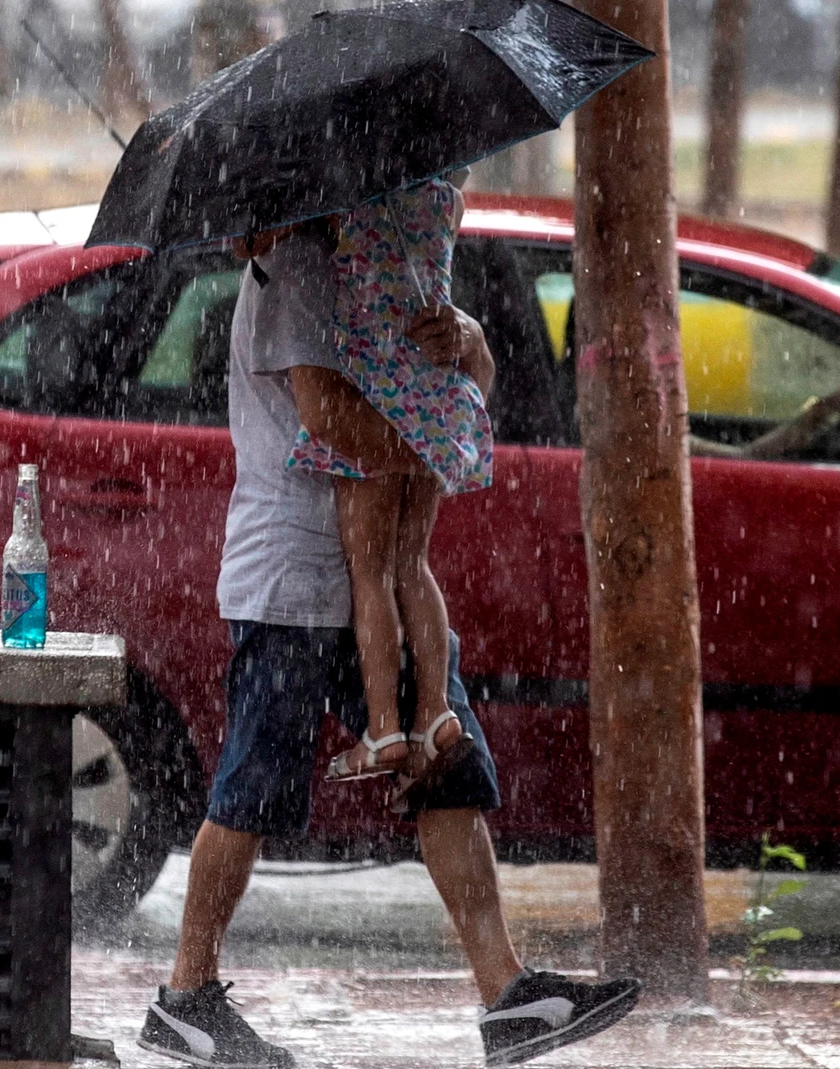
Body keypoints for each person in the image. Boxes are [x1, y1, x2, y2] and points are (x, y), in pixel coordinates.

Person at [136, 211, 642, 1069]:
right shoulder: (295, 270)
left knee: (447, 765)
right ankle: (185, 997)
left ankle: (508, 996)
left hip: (375, 583)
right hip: (294, 579)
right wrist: (435, 441)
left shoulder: (375, 261)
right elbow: (328, 413)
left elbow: (455, 369)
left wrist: (468, 340)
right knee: (251, 788)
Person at [288, 176, 490, 795]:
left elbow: (289, 240)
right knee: (413, 562)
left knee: (369, 570)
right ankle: (434, 712)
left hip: (375, 399)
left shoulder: (342, 205)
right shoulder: (447, 202)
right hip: (433, 396)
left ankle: (383, 727)